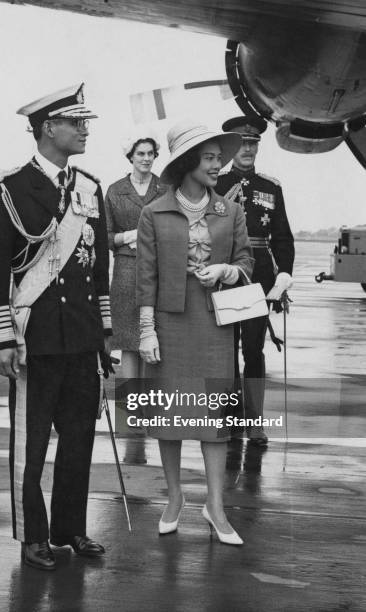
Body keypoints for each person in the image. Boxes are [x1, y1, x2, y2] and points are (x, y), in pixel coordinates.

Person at [0, 83, 112, 571]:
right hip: (33, 339)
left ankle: (69, 527)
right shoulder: (11, 187)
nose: (84, 129)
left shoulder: (90, 187)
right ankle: (32, 535)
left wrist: (104, 337)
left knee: (79, 441)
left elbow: (99, 269)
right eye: (76, 122)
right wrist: (0, 339)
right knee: (30, 449)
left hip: (80, 336)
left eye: (85, 122)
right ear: (48, 128)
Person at [136, 119, 254, 546]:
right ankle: (174, 498)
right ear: (188, 163)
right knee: (170, 415)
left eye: (219, 158)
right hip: (169, 324)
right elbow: (144, 276)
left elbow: (247, 262)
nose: (218, 165)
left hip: (214, 324)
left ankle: (216, 507)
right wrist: (146, 330)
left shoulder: (232, 211)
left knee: (213, 419)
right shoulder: (154, 213)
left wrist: (228, 269)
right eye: (209, 158)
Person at [217, 116, 295, 447]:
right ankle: (231, 419)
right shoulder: (215, 185)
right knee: (225, 351)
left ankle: (255, 422)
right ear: (232, 147)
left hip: (257, 281)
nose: (247, 149)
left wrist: (284, 277)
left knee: (253, 348)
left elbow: (283, 238)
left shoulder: (270, 187)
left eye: (253, 144)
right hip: (225, 276)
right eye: (242, 143)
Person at [104, 130, 165, 378]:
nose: (146, 158)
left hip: (158, 269)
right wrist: (129, 236)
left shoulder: (165, 189)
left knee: (153, 337)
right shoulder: (115, 190)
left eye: (151, 153)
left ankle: (149, 406)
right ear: (131, 156)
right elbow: (105, 236)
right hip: (126, 272)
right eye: (140, 153)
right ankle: (131, 406)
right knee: (129, 342)